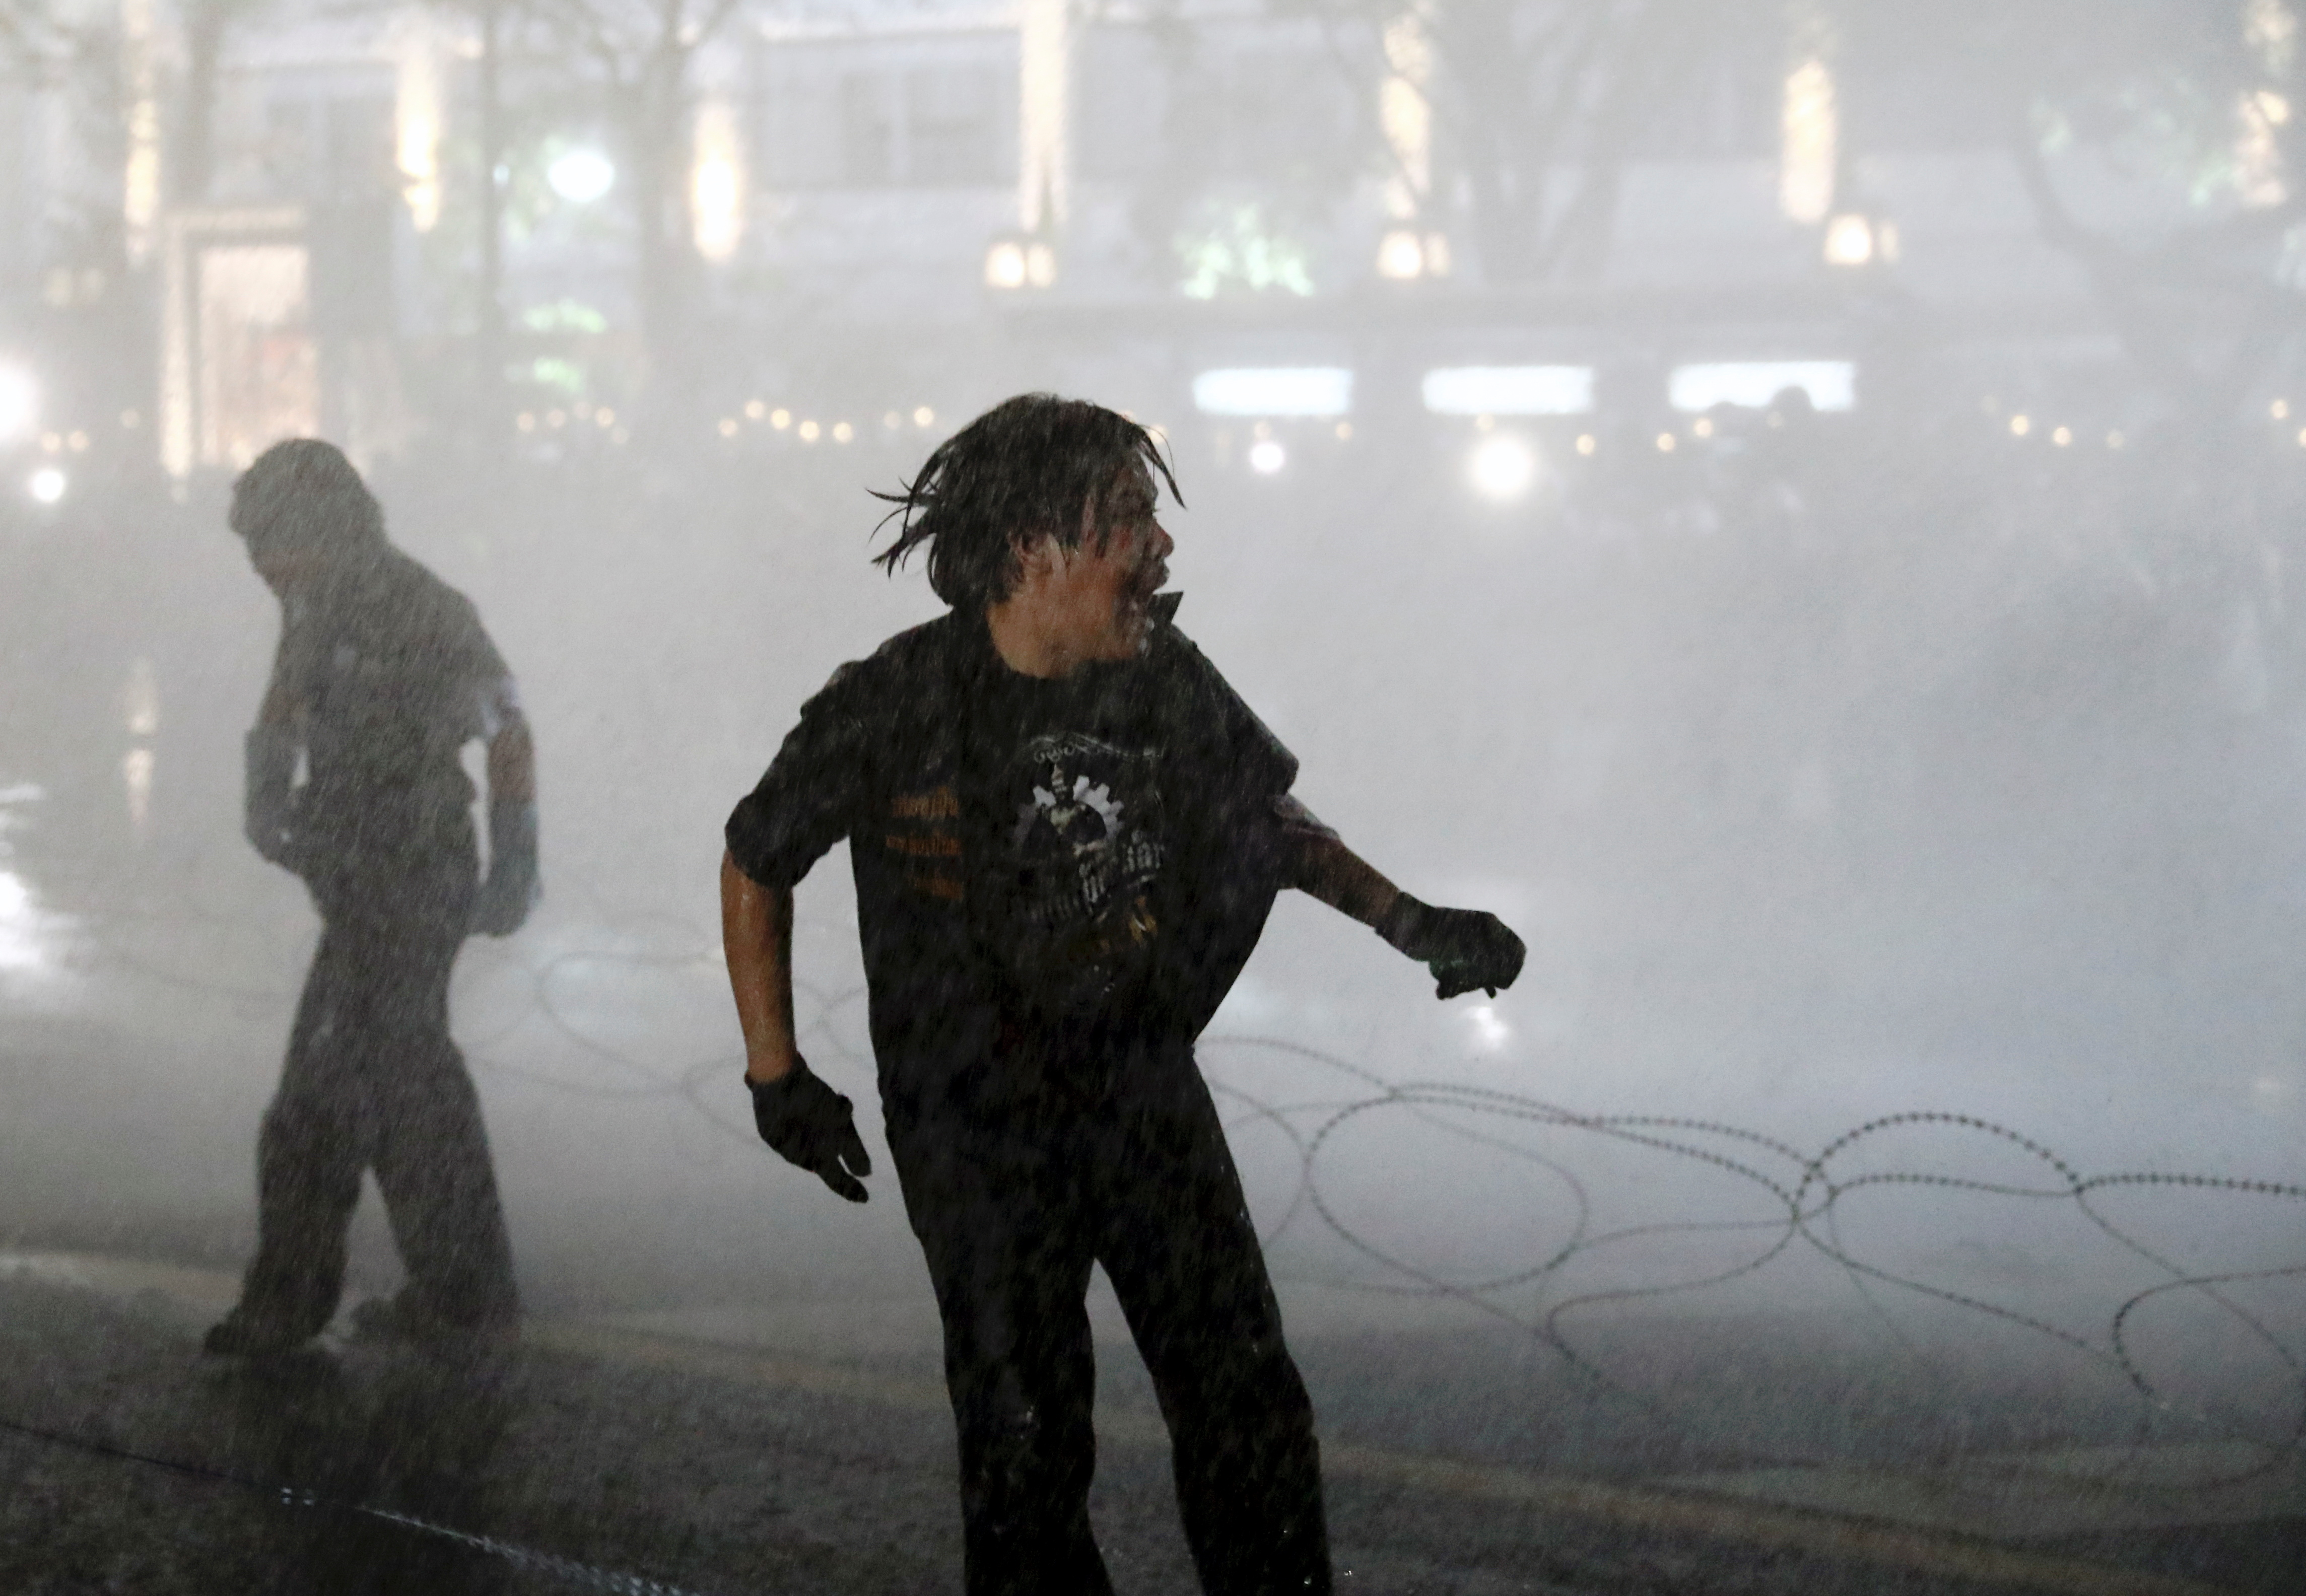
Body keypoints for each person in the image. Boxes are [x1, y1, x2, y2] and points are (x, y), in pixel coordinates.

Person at [720, 394, 1524, 1594]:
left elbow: (1268, 822)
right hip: (976, 1125)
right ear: (1033, 548)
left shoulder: (1161, 677)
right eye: (1129, 521)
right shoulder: (894, 704)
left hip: (1138, 1095)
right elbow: (756, 857)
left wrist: (1410, 920)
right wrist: (776, 1075)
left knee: (1246, 1407)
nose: (1159, 548)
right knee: (1025, 1441)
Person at [205, 439, 537, 1356]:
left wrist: (516, 853)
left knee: (333, 1095)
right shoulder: (316, 600)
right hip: (356, 876)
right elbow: (287, 695)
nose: (262, 570)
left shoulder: (421, 605)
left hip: (411, 871)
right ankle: (462, 1300)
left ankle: (300, 1305)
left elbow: (508, 729)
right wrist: (267, 788)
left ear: (322, 529)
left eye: (271, 544)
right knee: (402, 1084)